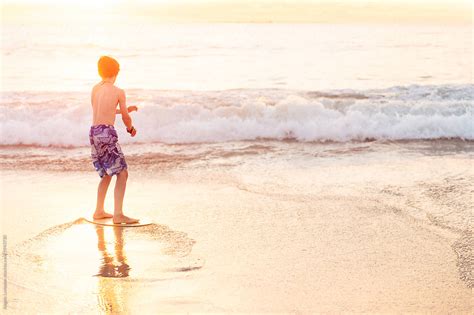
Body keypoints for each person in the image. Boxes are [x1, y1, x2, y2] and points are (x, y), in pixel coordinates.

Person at [89, 56, 139, 224]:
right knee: (122, 173)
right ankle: (118, 214)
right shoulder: (118, 91)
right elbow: (125, 118)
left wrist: (125, 110)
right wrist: (130, 128)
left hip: (94, 132)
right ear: (116, 72)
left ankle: (99, 211)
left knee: (107, 174)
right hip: (107, 133)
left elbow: (102, 110)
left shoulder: (95, 89)